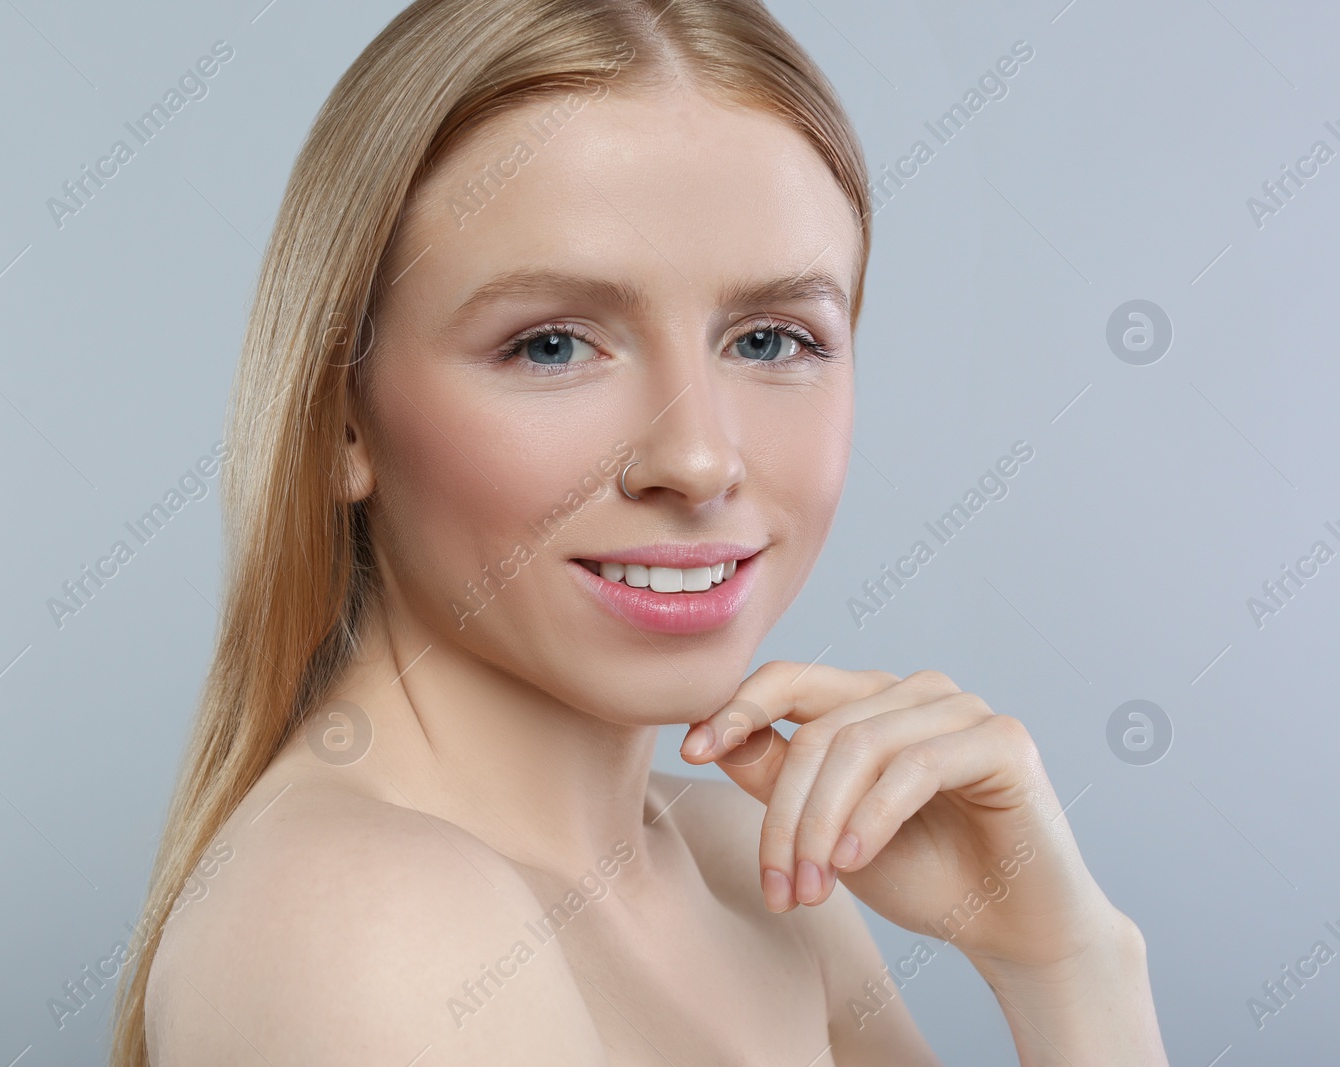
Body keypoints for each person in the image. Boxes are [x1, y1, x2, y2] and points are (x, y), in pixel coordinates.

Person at [114, 0, 1169, 1062]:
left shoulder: (739, 867)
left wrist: (1072, 963)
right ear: (341, 413)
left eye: (770, 337)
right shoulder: (363, 919)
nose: (698, 458)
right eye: (553, 347)